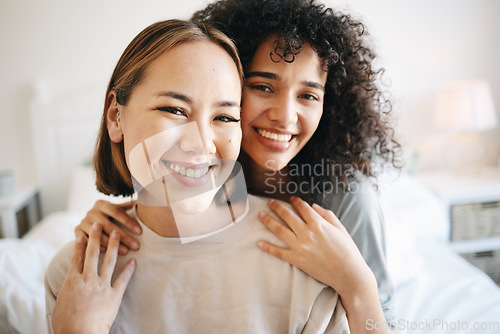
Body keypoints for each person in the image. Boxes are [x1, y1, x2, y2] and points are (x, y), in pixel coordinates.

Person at [75, 0, 401, 328]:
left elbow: (378, 317)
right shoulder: (210, 162)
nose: (285, 116)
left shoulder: (343, 196)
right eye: (262, 86)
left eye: (309, 95)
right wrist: (128, 214)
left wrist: (357, 283)